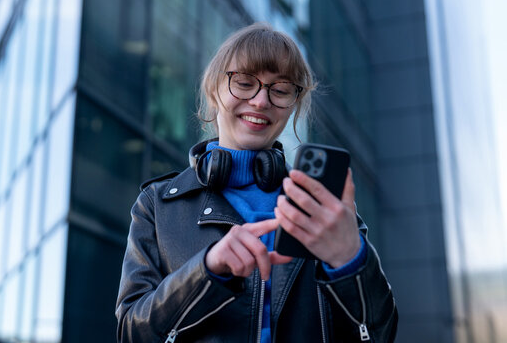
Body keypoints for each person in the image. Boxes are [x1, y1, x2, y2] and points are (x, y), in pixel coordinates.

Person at [115, 22, 397, 342]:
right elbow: (131, 334)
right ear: (214, 92)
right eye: (245, 83)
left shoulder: (324, 206)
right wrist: (205, 271)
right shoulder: (158, 204)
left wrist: (352, 263)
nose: (261, 102)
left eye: (279, 90)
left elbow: (380, 335)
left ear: (292, 106)